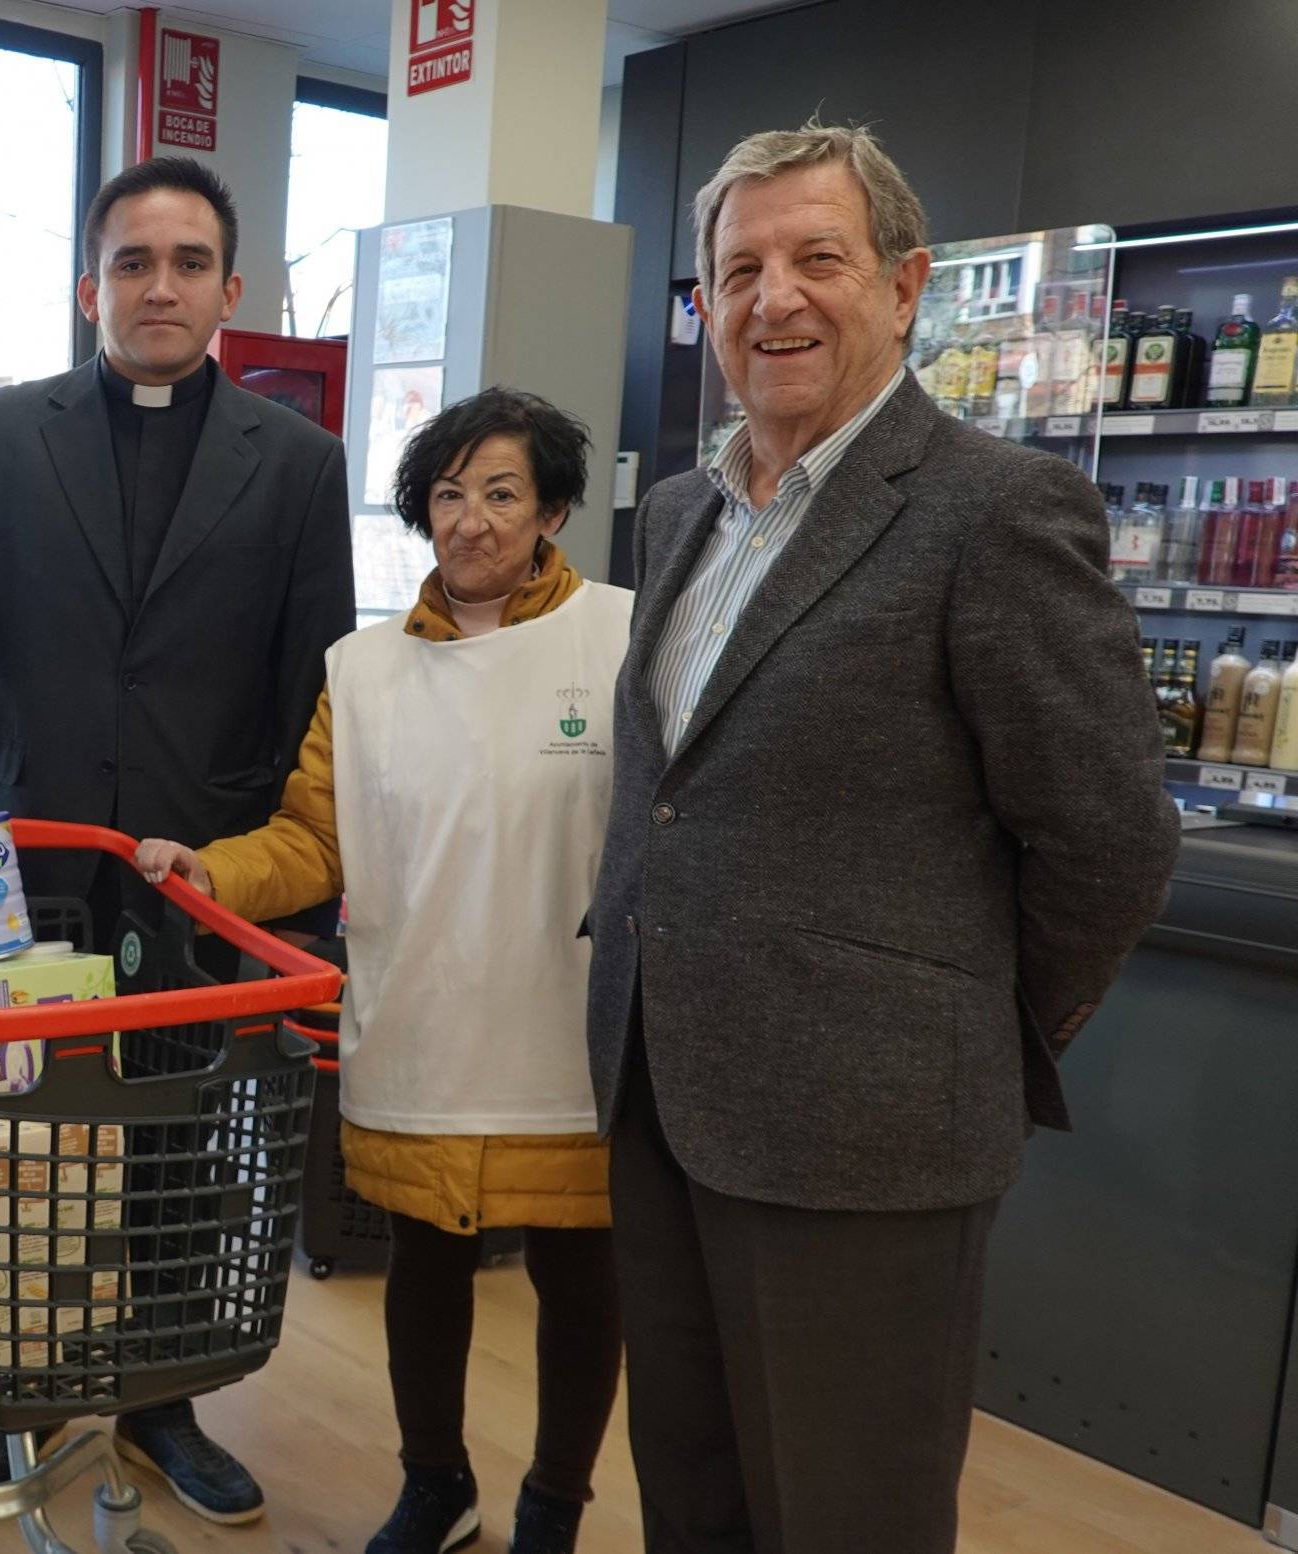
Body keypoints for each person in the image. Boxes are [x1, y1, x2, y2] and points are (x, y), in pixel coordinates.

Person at [584, 121, 1180, 1553]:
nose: (771, 297)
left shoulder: (995, 508)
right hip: (662, 1088)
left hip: (870, 1127)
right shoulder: (682, 511)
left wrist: (963, 1012)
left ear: (906, 287)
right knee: (694, 1489)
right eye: (737, 268)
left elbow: (1108, 834)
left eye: (817, 259)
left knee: (847, 1511)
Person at [0, 155, 354, 1523]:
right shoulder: (5, 435)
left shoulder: (300, 465)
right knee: (18, 1144)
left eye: (190, 262)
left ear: (231, 291)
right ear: (91, 286)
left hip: (200, 873)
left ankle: (165, 1397)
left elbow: (318, 683)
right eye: (134, 261)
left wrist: (293, 859)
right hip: (16, 877)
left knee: (181, 1144)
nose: (162, 285)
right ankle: (24, 1388)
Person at [138, 389, 628, 1554]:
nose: (472, 521)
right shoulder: (360, 671)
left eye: (502, 493)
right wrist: (210, 872)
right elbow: (315, 838)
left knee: (580, 1272)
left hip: (568, 1026)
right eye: (449, 495)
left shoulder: (617, 636)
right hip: (419, 1014)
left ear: (552, 509)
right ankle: (433, 1483)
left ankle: (554, 1505)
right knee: (422, 1261)